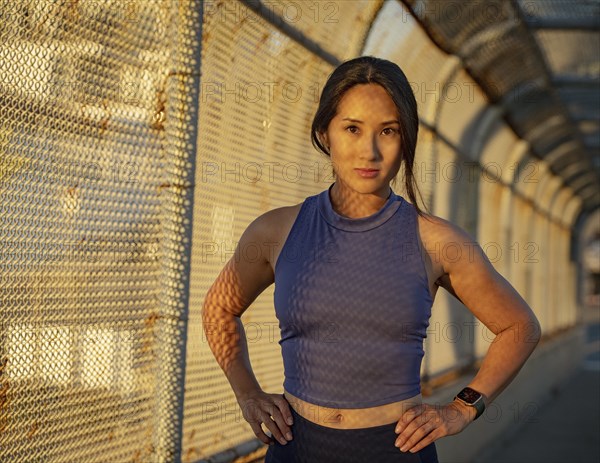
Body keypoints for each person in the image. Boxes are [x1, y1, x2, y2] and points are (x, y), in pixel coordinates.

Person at [202, 56, 542, 463]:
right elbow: (219, 307)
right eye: (352, 129)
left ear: (406, 140)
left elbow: (519, 327)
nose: (370, 150)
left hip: (394, 451)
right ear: (324, 133)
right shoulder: (275, 232)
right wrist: (248, 395)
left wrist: (462, 408)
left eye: (389, 131)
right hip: (296, 448)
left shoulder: (435, 241)